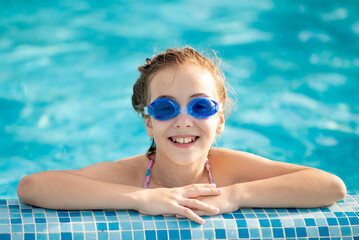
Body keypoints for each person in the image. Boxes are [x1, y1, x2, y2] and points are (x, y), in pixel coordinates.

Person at [17, 47, 346, 224]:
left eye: (200, 107)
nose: (183, 121)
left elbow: (330, 186)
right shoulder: (130, 176)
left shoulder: (228, 170)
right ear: (149, 123)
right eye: (164, 109)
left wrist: (235, 196)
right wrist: (142, 199)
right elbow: (33, 187)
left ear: (219, 121)